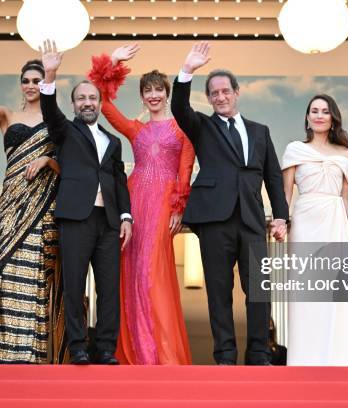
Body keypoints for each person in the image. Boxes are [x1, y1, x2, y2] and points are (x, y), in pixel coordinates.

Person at [171, 42, 289, 365]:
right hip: (214, 221)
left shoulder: (260, 132)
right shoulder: (202, 126)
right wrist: (187, 71)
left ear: (237, 92)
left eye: (225, 91)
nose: (220, 97)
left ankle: (259, 353)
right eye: (214, 94)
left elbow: (273, 178)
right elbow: (179, 108)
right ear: (208, 98)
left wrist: (281, 217)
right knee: (219, 292)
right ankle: (224, 354)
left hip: (252, 220)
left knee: (259, 290)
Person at [88, 44, 194, 365]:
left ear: (167, 93)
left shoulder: (183, 130)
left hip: (163, 202)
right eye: (147, 90)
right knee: (131, 271)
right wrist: (114, 62)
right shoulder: (136, 129)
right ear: (142, 96)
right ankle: (136, 351)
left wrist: (178, 208)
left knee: (154, 271)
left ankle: (160, 354)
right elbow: (104, 105)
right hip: (133, 203)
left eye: (158, 89)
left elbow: (185, 169)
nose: (153, 95)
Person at [39, 40, 132, 365]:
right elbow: (49, 111)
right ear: (74, 104)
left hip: (108, 222)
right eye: (82, 98)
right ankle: (77, 346)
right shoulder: (65, 131)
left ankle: (106, 348)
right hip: (75, 218)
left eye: (93, 97)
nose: (88, 102)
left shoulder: (113, 141)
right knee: (74, 284)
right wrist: (50, 74)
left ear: (99, 101)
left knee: (109, 289)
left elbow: (119, 180)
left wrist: (126, 216)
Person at [0, 29, 62, 364]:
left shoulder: (55, 121)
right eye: (26, 79)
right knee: (7, 267)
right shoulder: (8, 115)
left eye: (37, 79)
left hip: (43, 209)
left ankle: (29, 353)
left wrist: (49, 160)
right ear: (21, 83)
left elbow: (68, 164)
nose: (31, 84)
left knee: (36, 272)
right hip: (11, 203)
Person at [282, 94, 348, 366]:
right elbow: (286, 194)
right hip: (305, 221)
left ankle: (339, 360)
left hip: (335, 221)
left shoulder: (346, 154)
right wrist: (282, 222)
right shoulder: (294, 149)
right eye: (313, 111)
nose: (318, 115)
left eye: (325, 111)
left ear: (333, 117)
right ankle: (304, 360)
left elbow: (346, 199)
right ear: (307, 117)